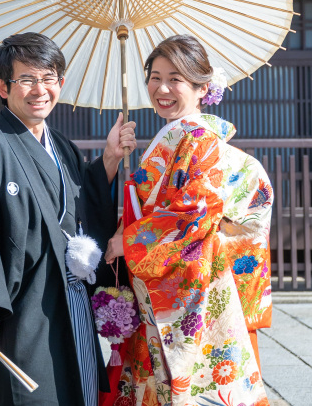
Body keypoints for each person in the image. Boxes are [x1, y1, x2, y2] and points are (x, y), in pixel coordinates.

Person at [0, 31, 136, 406]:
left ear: (60, 83)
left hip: (70, 299)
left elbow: (80, 209)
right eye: (26, 79)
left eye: (49, 79)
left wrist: (110, 159)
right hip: (23, 307)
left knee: (81, 390)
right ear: (2, 86)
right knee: (30, 395)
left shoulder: (62, 146)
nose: (39, 89)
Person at [102, 34, 274, 406]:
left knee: (186, 383)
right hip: (167, 278)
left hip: (186, 286)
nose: (162, 88)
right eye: (155, 76)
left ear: (201, 88)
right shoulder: (175, 137)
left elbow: (193, 214)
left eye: (175, 78)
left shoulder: (198, 140)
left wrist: (128, 242)